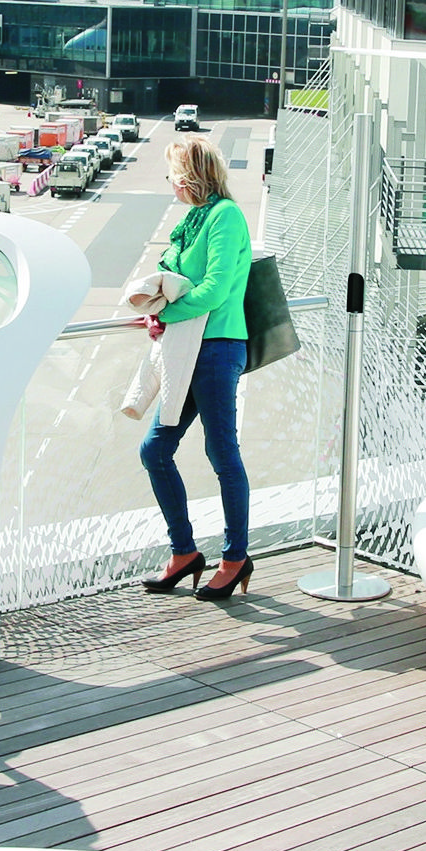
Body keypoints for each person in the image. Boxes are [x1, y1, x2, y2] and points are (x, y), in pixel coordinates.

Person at [137, 134, 256, 600]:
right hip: (185, 349)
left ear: (189, 177)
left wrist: (165, 315)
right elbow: (168, 269)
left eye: (173, 175)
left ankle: (235, 555)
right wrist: (153, 310)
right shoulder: (190, 220)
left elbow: (215, 289)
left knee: (222, 453)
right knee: (154, 450)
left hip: (218, 347)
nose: (170, 184)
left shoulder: (226, 217)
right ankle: (184, 552)